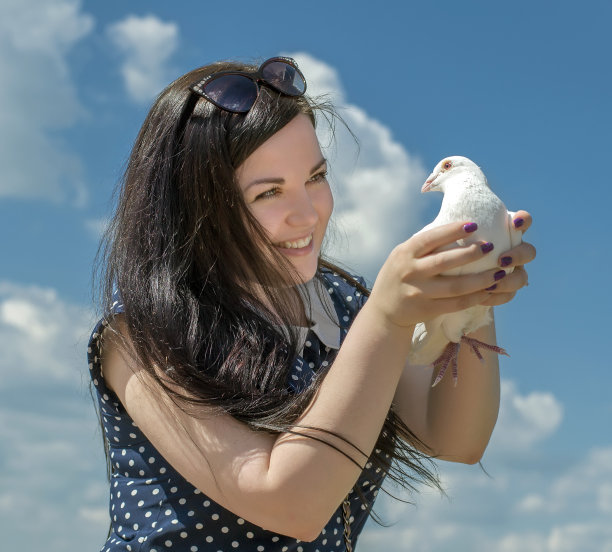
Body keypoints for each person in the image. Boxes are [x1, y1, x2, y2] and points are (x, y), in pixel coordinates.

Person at [88, 56, 536, 552]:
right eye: (269, 193)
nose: (307, 213)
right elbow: (290, 504)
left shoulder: (344, 305)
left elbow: (455, 438)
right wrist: (387, 316)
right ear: (200, 203)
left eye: (316, 177)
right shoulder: (138, 333)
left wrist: (473, 289)